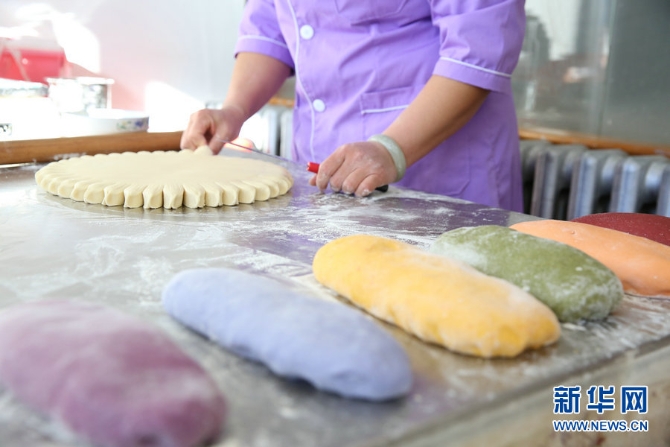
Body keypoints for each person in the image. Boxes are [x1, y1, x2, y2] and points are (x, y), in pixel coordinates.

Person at [181, 0, 526, 211]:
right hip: (322, 173)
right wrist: (234, 110)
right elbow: (268, 29)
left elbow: (476, 51)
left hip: (438, 165)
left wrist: (391, 149)